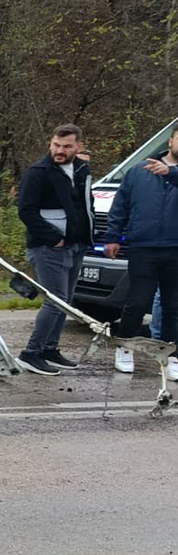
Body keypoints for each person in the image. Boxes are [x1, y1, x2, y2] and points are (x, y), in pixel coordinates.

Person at [15, 124, 94, 375]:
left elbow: (84, 205)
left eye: (67, 146)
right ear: (50, 144)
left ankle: (50, 348)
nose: (60, 151)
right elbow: (25, 211)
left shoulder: (81, 170)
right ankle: (31, 353)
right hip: (49, 248)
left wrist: (85, 237)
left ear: (78, 147)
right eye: (56, 145)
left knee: (66, 302)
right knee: (56, 300)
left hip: (76, 245)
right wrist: (53, 238)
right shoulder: (38, 173)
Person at [104, 126, 178, 381]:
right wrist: (113, 237)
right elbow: (120, 205)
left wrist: (171, 173)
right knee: (137, 302)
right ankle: (125, 349)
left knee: (173, 305)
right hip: (143, 247)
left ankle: (171, 355)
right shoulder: (138, 172)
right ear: (171, 140)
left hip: (175, 249)